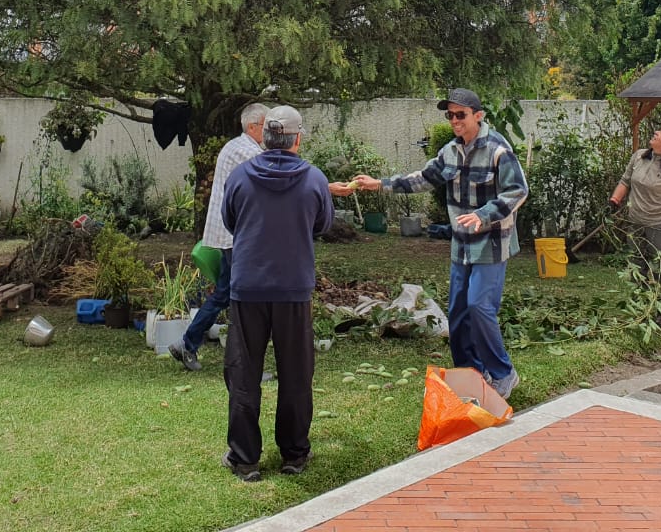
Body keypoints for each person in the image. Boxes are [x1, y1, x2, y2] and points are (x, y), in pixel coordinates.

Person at [338, 88, 528, 400]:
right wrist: (380, 184)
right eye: (450, 115)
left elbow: (517, 191)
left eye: (460, 115)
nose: (454, 120)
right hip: (461, 243)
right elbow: (423, 178)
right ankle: (470, 375)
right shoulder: (450, 151)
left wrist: (483, 215)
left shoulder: (498, 150)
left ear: (478, 116)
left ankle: (504, 373)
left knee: (479, 306)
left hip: (492, 242)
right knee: (458, 312)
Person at [220, 105, 333, 482]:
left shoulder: (239, 176)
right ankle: (294, 454)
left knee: (243, 372)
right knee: (296, 373)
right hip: (293, 289)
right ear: (297, 139)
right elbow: (323, 224)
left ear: (265, 137)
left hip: (248, 288)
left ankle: (245, 459)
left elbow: (230, 221)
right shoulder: (314, 179)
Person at [169, 102, 269, 372]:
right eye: (268, 126)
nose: (271, 132)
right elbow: (274, 172)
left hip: (233, 235)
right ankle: (247, 366)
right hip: (237, 237)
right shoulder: (245, 150)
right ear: (253, 127)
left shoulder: (237, 146)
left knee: (224, 294)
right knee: (246, 299)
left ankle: (187, 343)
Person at [607, 126, 661, 259]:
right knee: (635, 264)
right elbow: (625, 181)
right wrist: (614, 201)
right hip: (635, 223)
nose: (656, 132)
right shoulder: (639, 156)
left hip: (660, 226)